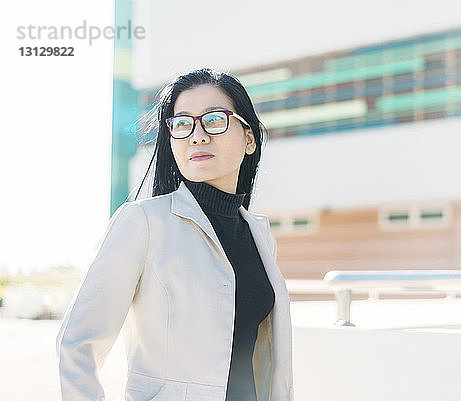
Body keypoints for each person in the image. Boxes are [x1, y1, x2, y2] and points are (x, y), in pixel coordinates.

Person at [55, 68, 294, 401]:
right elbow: (77, 343)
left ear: (249, 138)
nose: (197, 136)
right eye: (182, 124)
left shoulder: (260, 235)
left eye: (214, 119)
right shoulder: (143, 222)